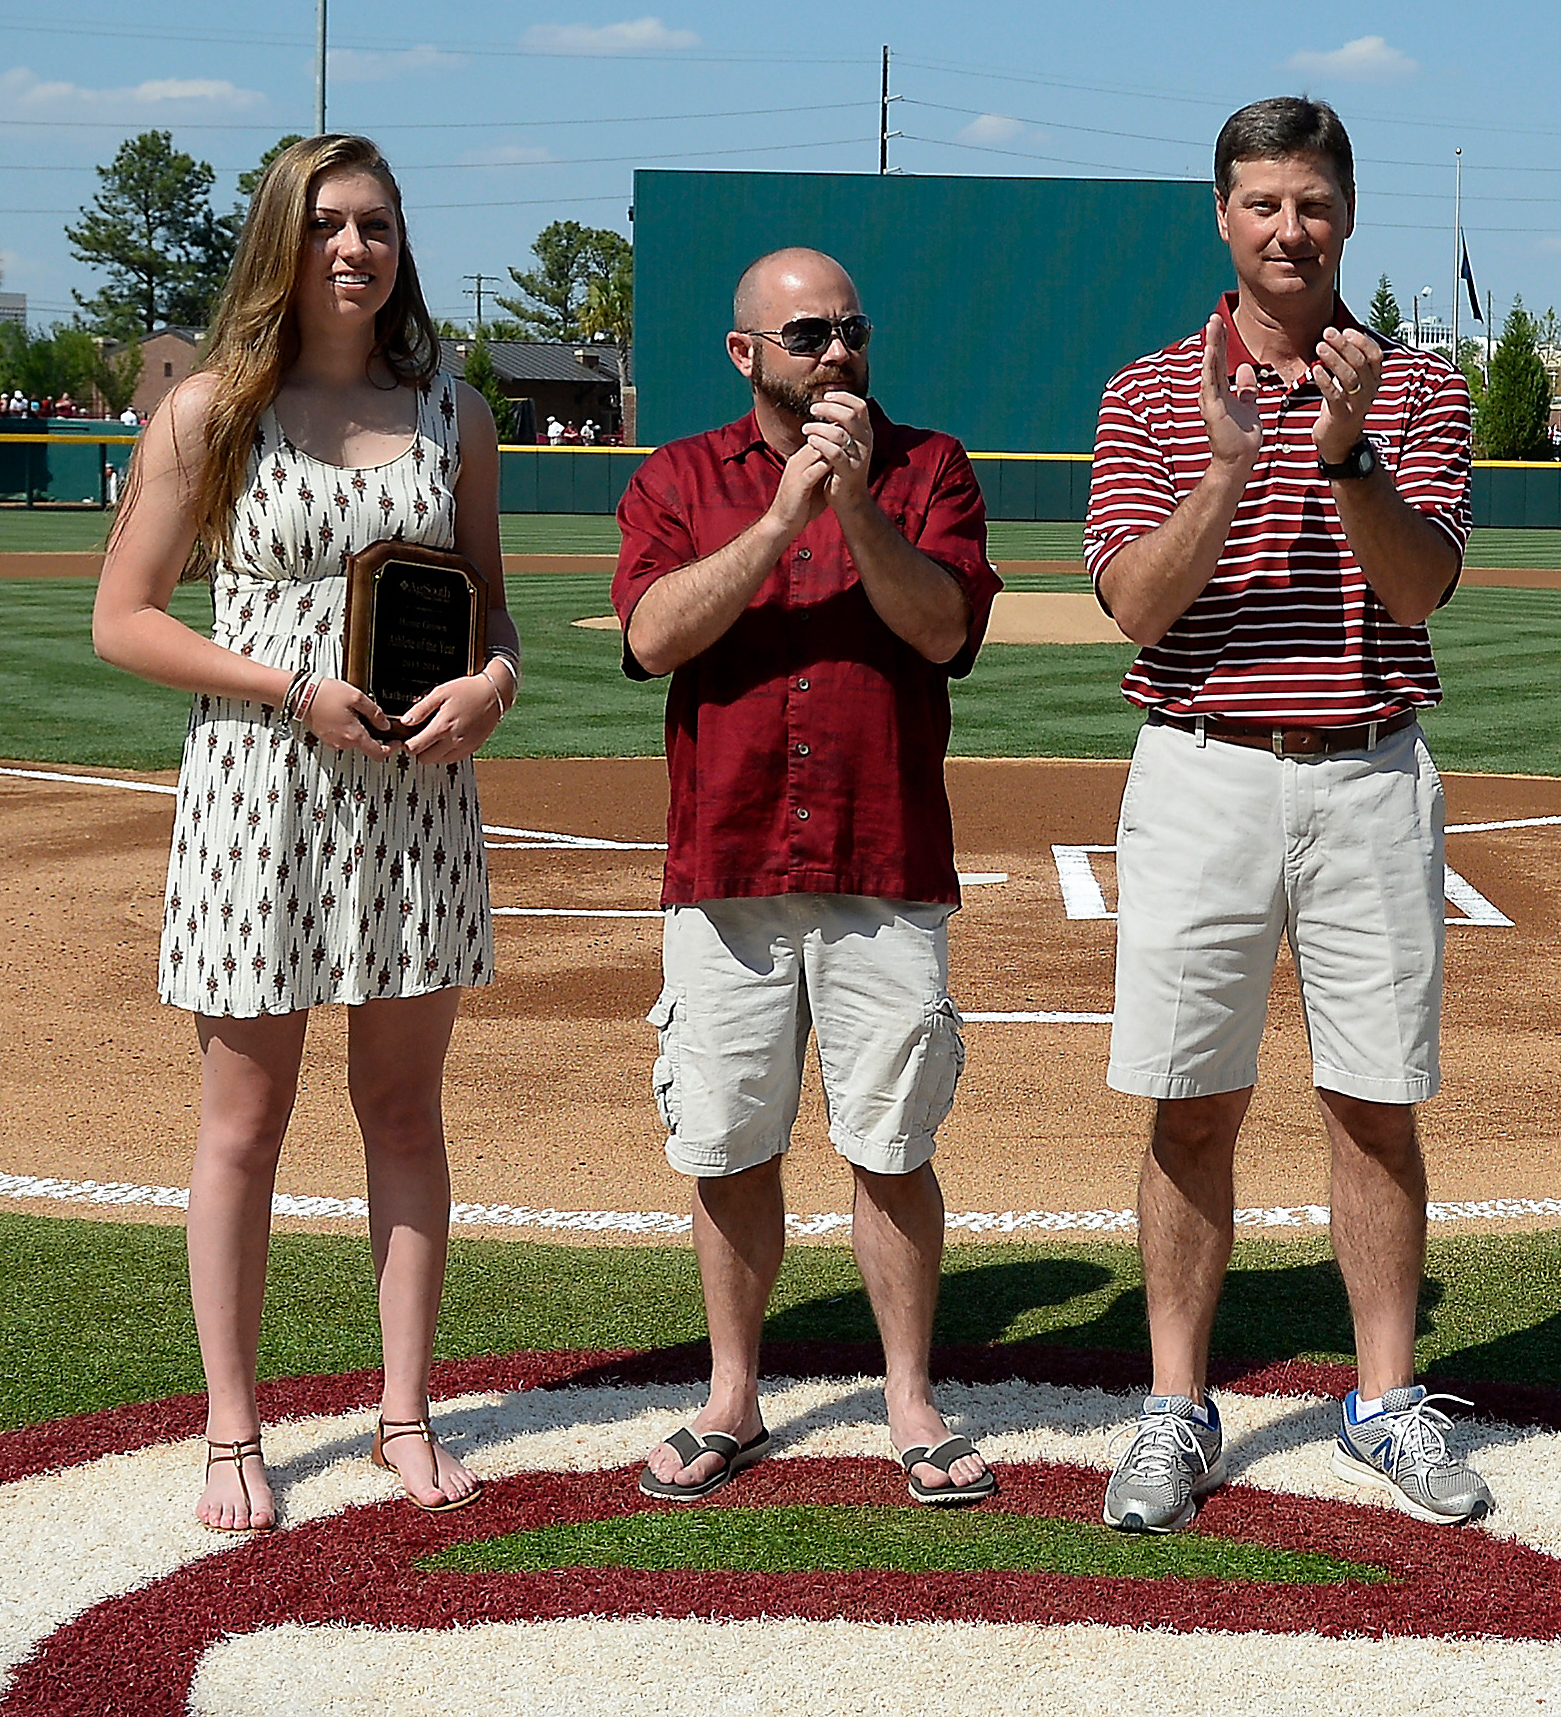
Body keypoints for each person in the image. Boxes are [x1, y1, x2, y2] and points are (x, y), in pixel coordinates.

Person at [93, 134, 520, 1533]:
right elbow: (127, 617)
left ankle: (405, 1414)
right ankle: (232, 1430)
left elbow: (492, 605)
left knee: (402, 1112)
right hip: (259, 789)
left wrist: (494, 682)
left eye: (380, 225)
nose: (357, 248)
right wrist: (288, 688)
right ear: (285, 237)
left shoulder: (452, 406)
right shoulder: (210, 409)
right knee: (246, 1123)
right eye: (331, 223)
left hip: (413, 790)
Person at [1085, 97, 1491, 1535]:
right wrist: (1233, 464)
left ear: (1347, 213)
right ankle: (1175, 1407)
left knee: (1375, 1102)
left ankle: (1384, 1401)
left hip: (1371, 764)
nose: (1287, 228)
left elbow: (1420, 590)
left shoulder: (1418, 390)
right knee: (1190, 1102)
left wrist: (1343, 448)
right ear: (1223, 216)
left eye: (1311, 202)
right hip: (1201, 763)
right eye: (1261, 202)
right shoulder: (1147, 389)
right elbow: (1134, 602)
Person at [613, 247, 1003, 1508]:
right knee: (727, 1143)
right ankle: (733, 1393)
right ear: (747, 355)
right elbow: (651, 634)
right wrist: (782, 512)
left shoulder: (929, 467)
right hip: (725, 865)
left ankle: (907, 1396)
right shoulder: (677, 479)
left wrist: (851, 505)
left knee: (892, 1140)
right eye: (808, 334)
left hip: (881, 862)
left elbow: (942, 629)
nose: (837, 351)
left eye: (852, 328)